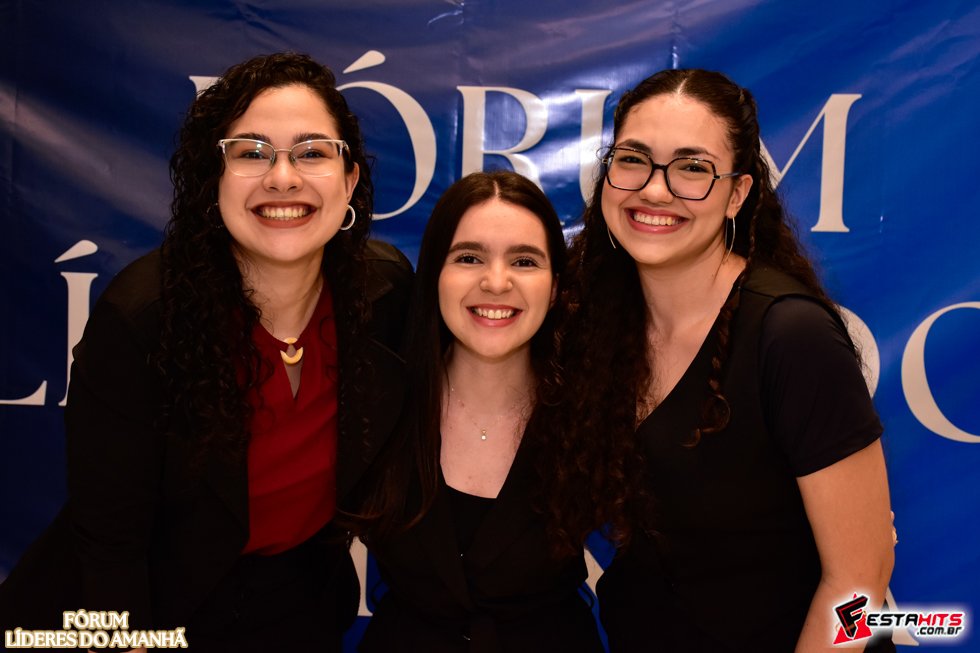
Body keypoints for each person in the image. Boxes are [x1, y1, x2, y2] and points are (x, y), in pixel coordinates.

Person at [0, 53, 412, 651]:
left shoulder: (386, 292)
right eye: (251, 153)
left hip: (298, 605)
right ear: (212, 179)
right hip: (144, 604)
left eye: (312, 152)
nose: (283, 178)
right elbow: (111, 546)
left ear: (349, 180)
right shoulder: (142, 319)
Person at [562, 69, 895, 651]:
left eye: (692, 168)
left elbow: (859, 582)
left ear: (737, 194)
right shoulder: (598, 320)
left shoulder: (791, 336)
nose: (655, 190)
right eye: (633, 159)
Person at [348, 170, 605, 652]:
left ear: (554, 288)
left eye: (524, 261)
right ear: (434, 276)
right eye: (469, 257)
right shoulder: (378, 400)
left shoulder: (592, 414)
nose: (496, 282)